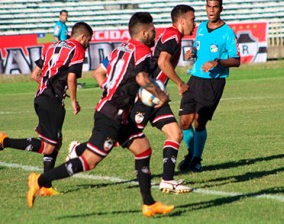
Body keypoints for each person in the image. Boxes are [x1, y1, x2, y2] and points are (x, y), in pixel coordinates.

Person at [26, 12, 175, 217]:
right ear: (143, 32)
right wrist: (161, 95)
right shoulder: (142, 51)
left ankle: (148, 204)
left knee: (143, 149)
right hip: (111, 115)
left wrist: (112, 91)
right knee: (89, 161)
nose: (155, 32)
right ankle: (40, 180)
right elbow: (141, 77)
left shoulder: (119, 49)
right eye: (152, 29)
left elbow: (101, 73)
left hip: (117, 112)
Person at [0, 21, 93, 196]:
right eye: (89, 40)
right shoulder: (78, 49)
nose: (89, 44)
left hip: (41, 97)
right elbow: (72, 78)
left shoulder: (53, 46)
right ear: (82, 37)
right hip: (52, 101)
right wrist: (74, 100)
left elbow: (35, 74)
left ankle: (46, 186)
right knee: (49, 146)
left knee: (55, 143)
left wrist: (48, 86)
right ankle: (5, 141)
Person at [129, 5, 196, 193]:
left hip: (157, 96)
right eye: (192, 19)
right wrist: (180, 83)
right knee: (121, 136)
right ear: (182, 21)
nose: (194, 23)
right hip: (148, 94)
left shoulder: (173, 35)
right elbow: (162, 62)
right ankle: (79, 150)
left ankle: (167, 180)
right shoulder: (173, 35)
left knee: (175, 134)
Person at [178, 0, 240, 173]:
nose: (211, 10)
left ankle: (196, 159)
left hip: (213, 82)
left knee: (199, 122)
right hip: (195, 78)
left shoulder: (227, 32)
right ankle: (191, 153)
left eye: (215, 7)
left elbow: (236, 60)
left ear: (221, 8)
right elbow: (199, 49)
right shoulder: (201, 28)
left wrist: (217, 62)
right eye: (208, 7)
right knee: (184, 122)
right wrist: (192, 53)